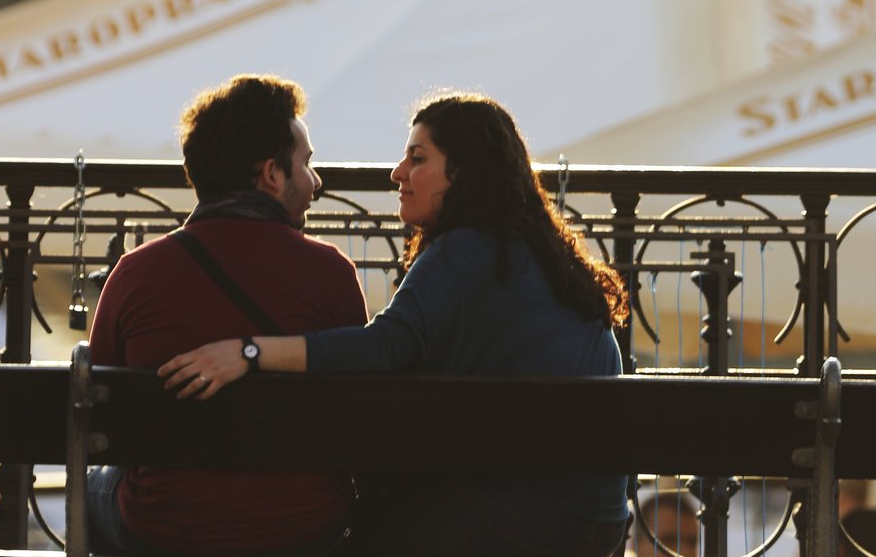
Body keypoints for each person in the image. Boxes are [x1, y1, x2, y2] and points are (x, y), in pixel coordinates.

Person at [160, 91, 630, 557]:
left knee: (355, 535)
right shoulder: (550, 258)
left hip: (520, 521)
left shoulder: (463, 251)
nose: (397, 173)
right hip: (600, 522)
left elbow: (384, 347)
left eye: (417, 158)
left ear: (462, 172)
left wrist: (249, 352)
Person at [88, 74, 367, 557]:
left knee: (97, 485)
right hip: (304, 529)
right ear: (271, 174)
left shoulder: (136, 274)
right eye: (307, 163)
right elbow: (358, 406)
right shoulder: (332, 274)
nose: (316, 183)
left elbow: (101, 409)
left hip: (166, 532)